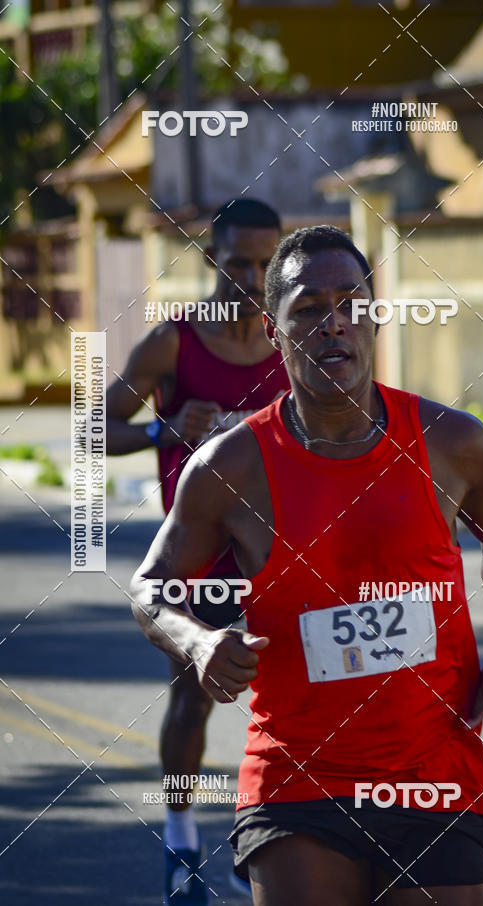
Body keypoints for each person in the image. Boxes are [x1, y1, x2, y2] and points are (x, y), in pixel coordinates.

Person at [130, 225, 483, 905]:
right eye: (308, 309)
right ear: (273, 327)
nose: (334, 325)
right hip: (296, 779)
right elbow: (152, 587)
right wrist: (198, 640)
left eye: (351, 302)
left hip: (433, 772)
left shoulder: (452, 442)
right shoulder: (229, 467)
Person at [106, 198, 289, 904]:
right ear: (212, 259)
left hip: (281, 554)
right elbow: (97, 428)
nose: (253, 275)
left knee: (311, 696)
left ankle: (290, 837)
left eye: (268, 263)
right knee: (193, 700)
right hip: (196, 561)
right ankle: (180, 842)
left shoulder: (292, 341)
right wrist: (163, 431)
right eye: (239, 261)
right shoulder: (172, 344)